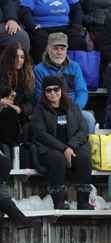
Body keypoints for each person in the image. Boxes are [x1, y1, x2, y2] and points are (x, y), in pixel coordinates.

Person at [32, 75, 92, 209]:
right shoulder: (39, 110)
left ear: (61, 90)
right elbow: (41, 135)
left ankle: (83, 202)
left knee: (84, 158)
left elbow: (83, 129)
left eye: (56, 89)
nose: (53, 93)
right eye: (49, 90)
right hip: (49, 148)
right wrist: (64, 148)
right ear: (44, 92)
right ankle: (59, 202)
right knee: (58, 159)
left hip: (72, 146)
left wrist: (70, 146)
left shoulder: (72, 106)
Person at [20, 0, 85, 62]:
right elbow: (25, 12)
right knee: (40, 41)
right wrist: (34, 27)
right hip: (43, 28)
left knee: (78, 40)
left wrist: (76, 26)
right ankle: (42, 69)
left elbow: (77, 9)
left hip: (65, 26)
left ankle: (73, 68)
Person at [33, 32, 94, 132]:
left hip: (73, 108)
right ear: (48, 49)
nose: (59, 52)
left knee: (89, 118)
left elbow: (82, 91)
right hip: (50, 111)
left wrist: (74, 109)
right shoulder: (39, 69)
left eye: (62, 49)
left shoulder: (75, 67)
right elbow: (39, 96)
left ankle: (86, 143)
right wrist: (57, 110)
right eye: (56, 48)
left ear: (66, 50)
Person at [0, 43, 34, 145]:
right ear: (9, 57)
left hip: (19, 115)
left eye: (22, 57)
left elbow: (31, 103)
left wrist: (20, 109)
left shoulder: (27, 77)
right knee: (9, 112)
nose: (19, 60)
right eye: (16, 57)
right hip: (2, 112)